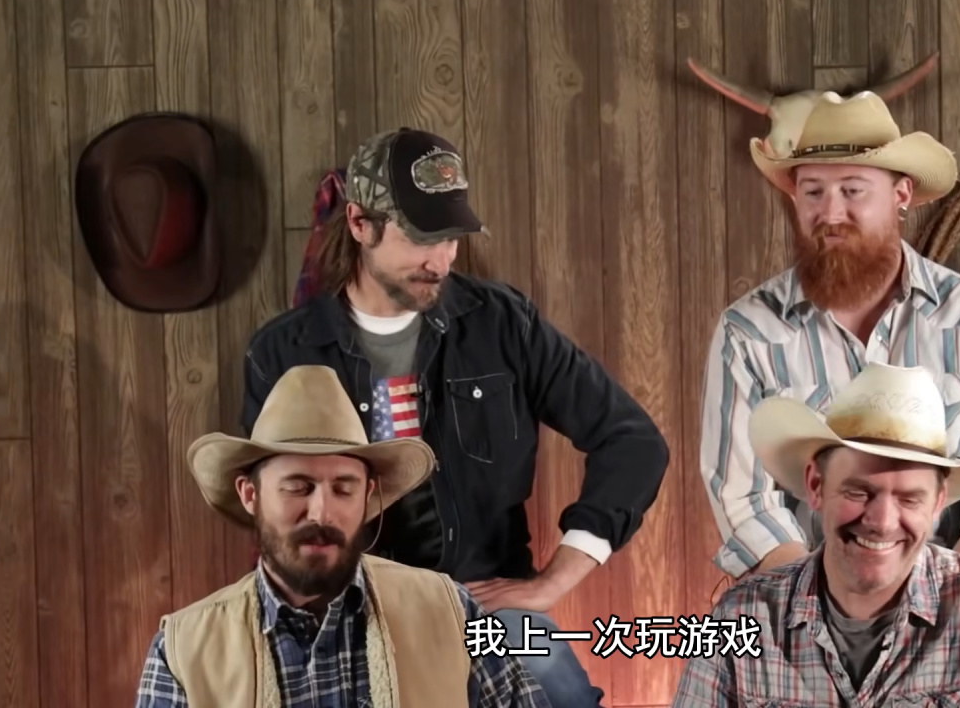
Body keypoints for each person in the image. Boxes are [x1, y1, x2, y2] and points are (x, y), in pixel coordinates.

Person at [239, 127, 669, 707]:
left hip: (485, 608)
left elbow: (633, 442)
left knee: (559, 690)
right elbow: (274, 512)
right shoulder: (282, 352)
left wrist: (553, 581)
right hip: (343, 613)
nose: (439, 260)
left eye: (450, 238)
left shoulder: (502, 323)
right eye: (421, 237)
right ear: (360, 223)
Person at [693, 83, 960, 703]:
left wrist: (944, 616)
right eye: (812, 191)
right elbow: (742, 498)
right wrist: (819, 617)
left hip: (957, 604)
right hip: (793, 609)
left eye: (853, 190)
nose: (830, 212)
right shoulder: (748, 332)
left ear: (901, 194)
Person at [134, 364, 551, 707]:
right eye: (298, 487)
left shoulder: (450, 610)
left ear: (367, 494)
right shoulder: (182, 651)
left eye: (343, 488)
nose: (322, 513)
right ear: (250, 495)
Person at [673, 362, 960, 706]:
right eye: (859, 492)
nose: (883, 521)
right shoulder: (739, 616)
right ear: (816, 485)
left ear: (938, 502)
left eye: (909, 499)